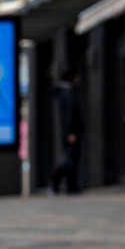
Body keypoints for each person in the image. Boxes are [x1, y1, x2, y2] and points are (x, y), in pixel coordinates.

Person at [50, 67, 83, 196]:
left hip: (69, 131)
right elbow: (69, 114)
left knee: (70, 159)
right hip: (71, 132)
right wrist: (71, 132)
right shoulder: (69, 93)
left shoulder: (65, 92)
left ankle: (70, 186)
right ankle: (57, 183)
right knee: (69, 159)